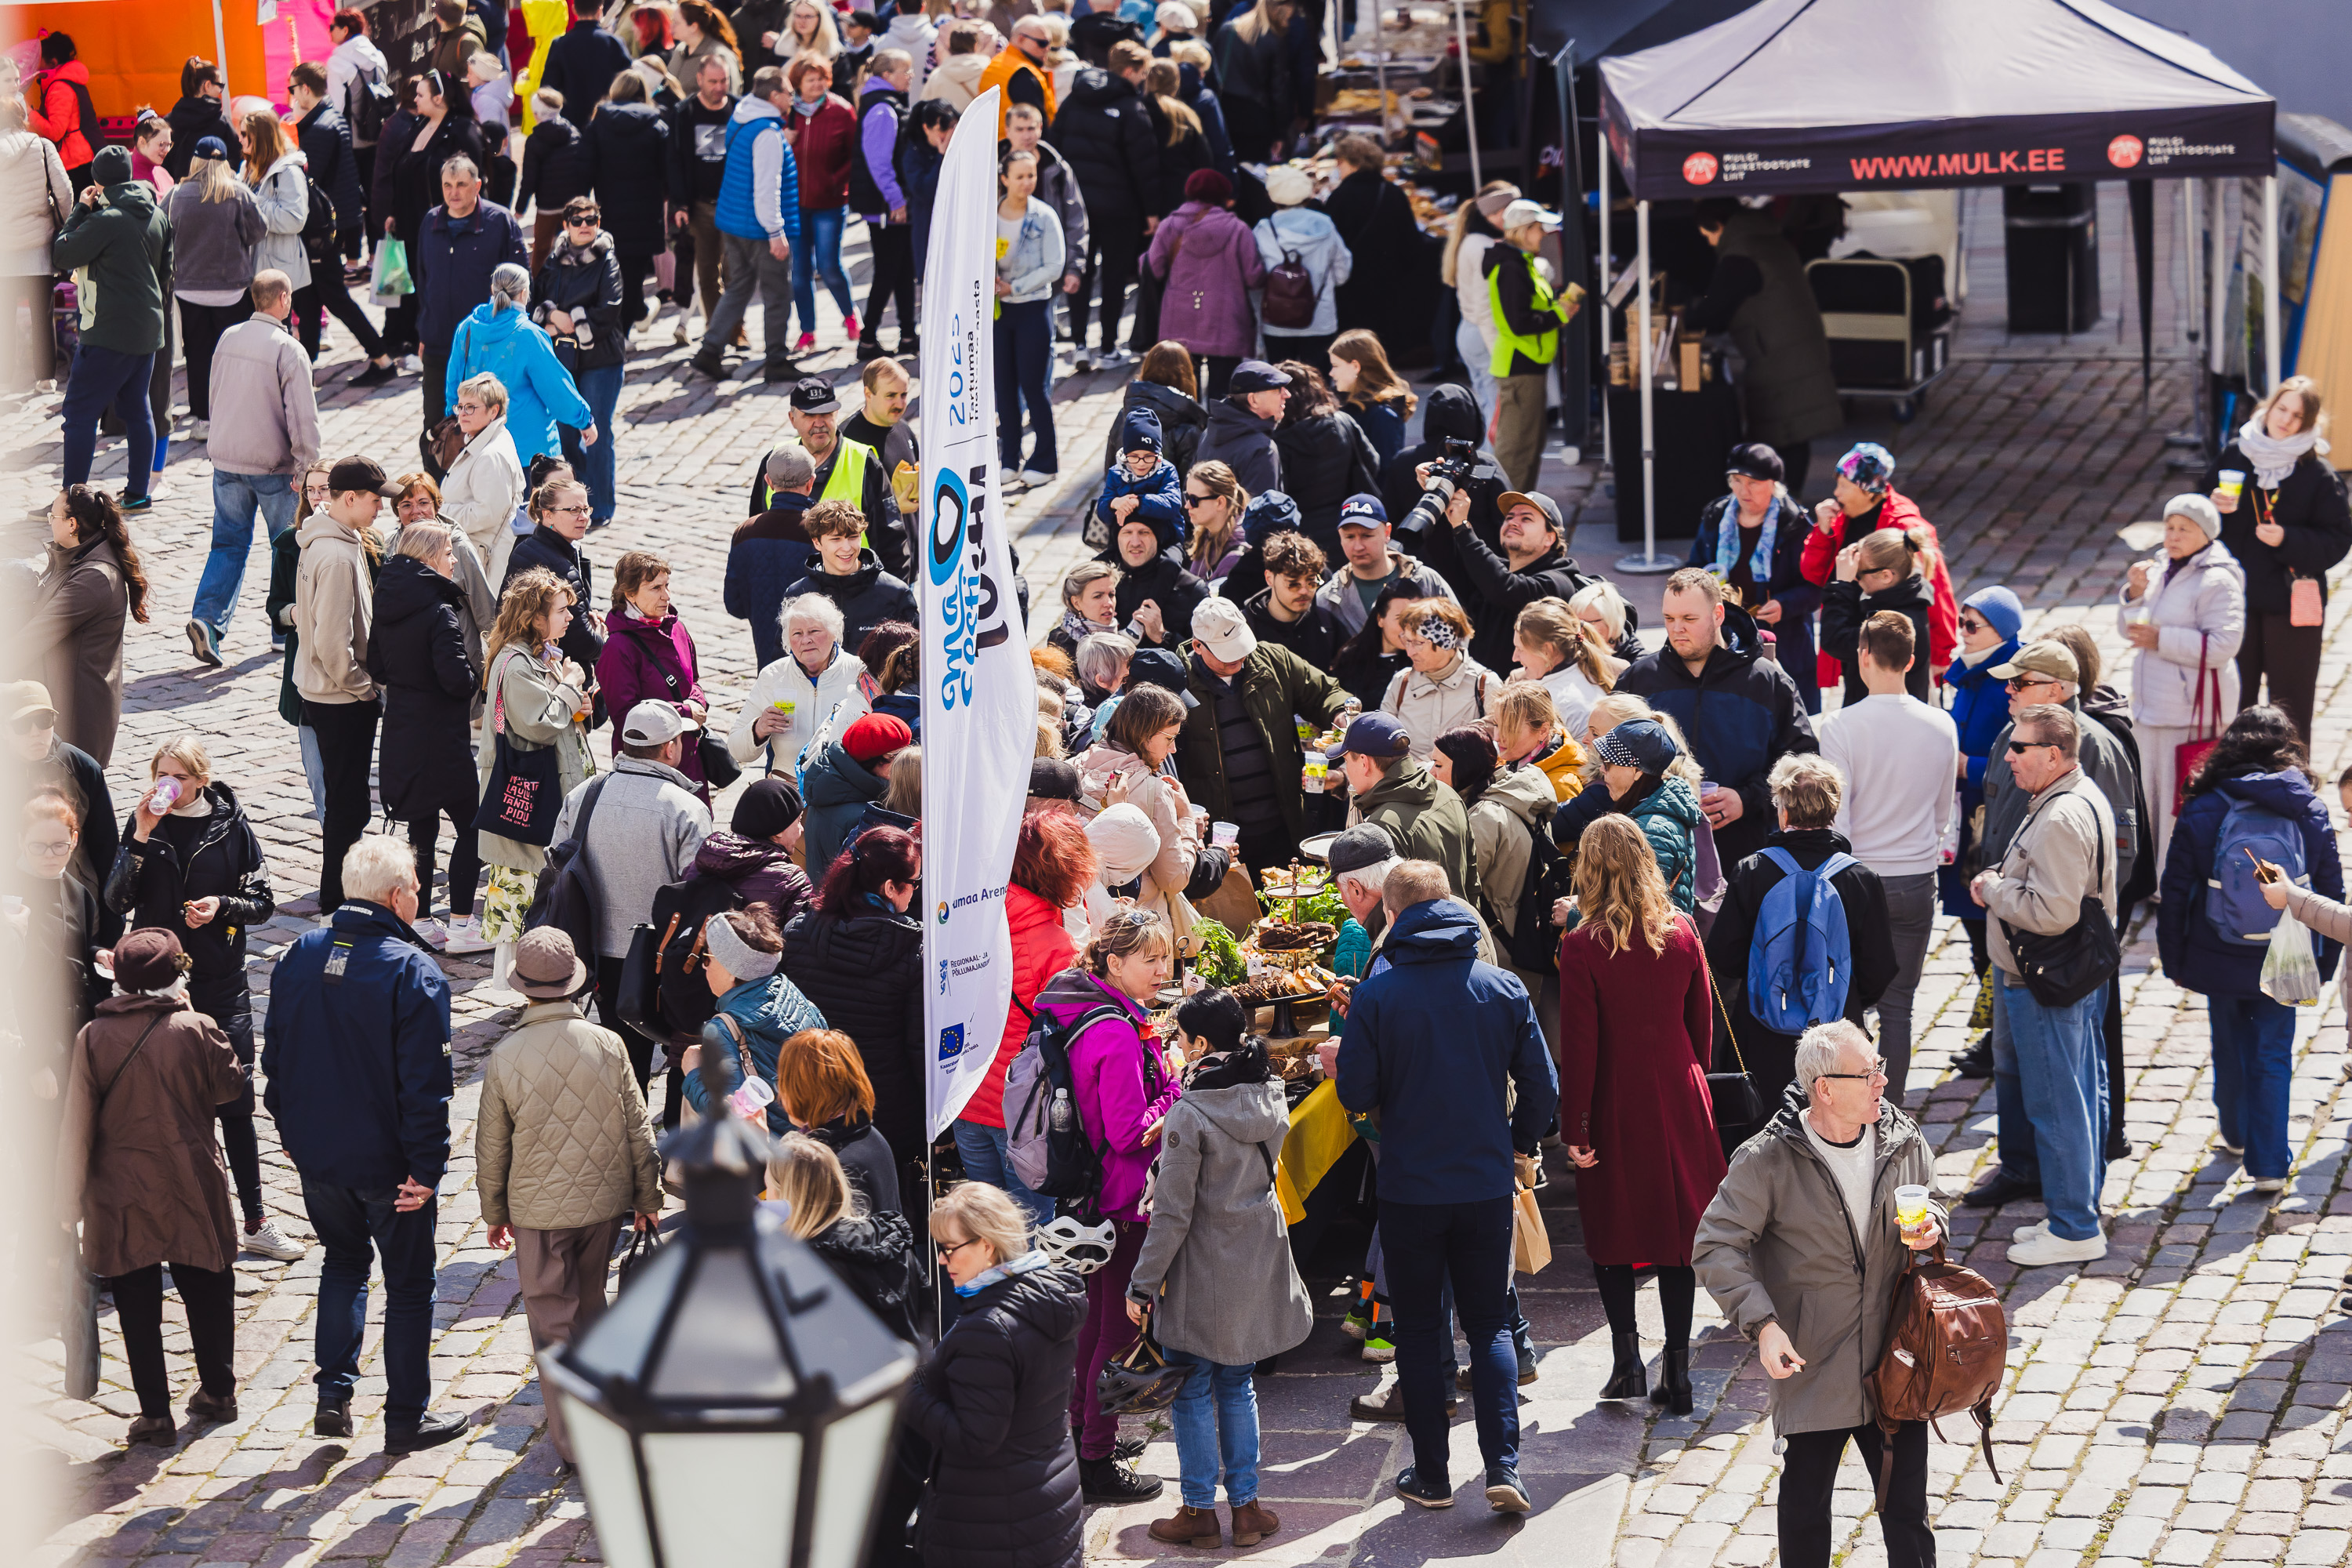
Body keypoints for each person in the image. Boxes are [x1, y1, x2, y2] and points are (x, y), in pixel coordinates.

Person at [1336, 859, 1554, 1511]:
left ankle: (1431, 1473)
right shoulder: (1504, 987)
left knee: (1420, 1328)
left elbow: (1355, 1092)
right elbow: (1543, 1087)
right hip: (1484, 1181)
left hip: (1410, 1186)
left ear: (1395, 917)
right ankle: (1504, 1469)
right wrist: (1516, 1142)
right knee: (1488, 1325)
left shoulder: (1378, 994)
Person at [1693, 1018, 1947, 1568]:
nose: (1882, 1079)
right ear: (1824, 1088)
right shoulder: (1767, 1160)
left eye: (1879, 1067)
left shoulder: (1901, 1137)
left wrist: (1933, 1226)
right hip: (1813, 1363)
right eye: (1868, 1072)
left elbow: (1935, 1197)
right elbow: (1715, 1245)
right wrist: (1763, 1324)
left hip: (1897, 1359)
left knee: (1907, 1512)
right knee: (1806, 1515)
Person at [263, 835, 466, 1451]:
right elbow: (425, 1087)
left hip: (320, 1157)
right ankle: (405, 1417)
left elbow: (275, 1058)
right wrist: (427, 1169)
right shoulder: (413, 971)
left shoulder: (298, 953)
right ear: (398, 896)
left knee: (344, 1263)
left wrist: (291, 1136)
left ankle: (334, 1396)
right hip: (391, 1169)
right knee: (408, 1287)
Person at [101, 736, 299, 1261]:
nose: (167, 786)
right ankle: (170, 1225)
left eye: (179, 777)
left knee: (234, 1100)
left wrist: (222, 905)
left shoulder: (231, 827)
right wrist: (141, 835)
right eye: (161, 775)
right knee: (161, 1109)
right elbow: (117, 900)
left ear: (200, 781)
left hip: (217, 980)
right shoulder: (146, 821)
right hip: (156, 990)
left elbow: (262, 901)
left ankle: (255, 1221)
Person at [1124, 989, 1309, 1549]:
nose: (1176, 1047)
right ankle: (1247, 1508)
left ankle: (1200, 1512)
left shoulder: (1190, 1113)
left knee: (1192, 1387)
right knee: (1238, 1383)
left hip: (1202, 1268)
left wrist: (1141, 1282)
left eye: (1180, 1038)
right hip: (1255, 1255)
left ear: (1201, 1044)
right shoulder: (1267, 1090)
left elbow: (1173, 1214)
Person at [1555, 815, 1723, 1414]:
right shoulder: (1681, 933)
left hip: (1614, 1098)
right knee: (1679, 1236)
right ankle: (1676, 1372)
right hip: (1679, 1092)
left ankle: (1627, 1363)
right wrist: (1691, 1083)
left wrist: (1574, 1126)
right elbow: (1700, 1028)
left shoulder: (1581, 946)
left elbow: (1580, 1045)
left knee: (1612, 1233)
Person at [476, 926, 661, 1464]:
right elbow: (637, 1126)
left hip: (538, 1213)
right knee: (590, 1306)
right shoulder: (608, 1044)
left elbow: (493, 1145)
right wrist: (647, 1199)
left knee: (553, 1325)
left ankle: (579, 1444)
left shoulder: (508, 1055)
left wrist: (493, 1211)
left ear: (523, 988)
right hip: (603, 1204)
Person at [56, 928, 246, 1446]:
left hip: (120, 1189)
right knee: (208, 1285)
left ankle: (155, 1415)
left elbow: (78, 1125)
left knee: (137, 1301)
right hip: (191, 1178)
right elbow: (231, 1088)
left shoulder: (94, 1037)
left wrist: (66, 1200)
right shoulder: (196, 1027)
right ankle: (218, 1391)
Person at [1028, 909, 1179, 1503]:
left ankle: (1080, 1433)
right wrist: (1174, 1087)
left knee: (1094, 1328)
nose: (1162, 970)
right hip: (1124, 1200)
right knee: (1118, 1334)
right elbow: (1126, 1132)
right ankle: (1096, 1458)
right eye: (1151, 960)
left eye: (1165, 957)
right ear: (1114, 964)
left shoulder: (1088, 1012)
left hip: (1095, 1198)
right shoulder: (1114, 1031)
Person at [2160, 707, 2343, 1193]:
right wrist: (2324, 964)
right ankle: (2268, 1163)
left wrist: (2175, 958)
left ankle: (2237, 1133)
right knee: (2273, 1054)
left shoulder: (2203, 807)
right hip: (2289, 951)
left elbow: (2176, 887)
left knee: (2228, 1042)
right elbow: (2330, 891)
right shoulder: (2307, 808)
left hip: (2219, 948)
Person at [1969, 704, 2118, 1266]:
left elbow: (2051, 911)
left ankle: (2075, 1226)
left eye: (2020, 748)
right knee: (2080, 1095)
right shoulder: (2076, 797)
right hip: (2072, 974)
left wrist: (1992, 889)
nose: (2008, 756)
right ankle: (2076, 1210)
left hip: (2046, 981)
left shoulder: (2058, 818)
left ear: (2053, 755)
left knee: (2059, 1104)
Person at [1702, 750, 1898, 1135]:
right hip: (1836, 1027)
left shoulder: (1752, 870)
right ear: (1834, 808)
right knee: (1837, 1127)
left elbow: (1723, 957)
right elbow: (1880, 966)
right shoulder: (1861, 878)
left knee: (1762, 1133)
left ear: (1784, 812)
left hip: (1762, 1030)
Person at [904, 1181, 1086, 1568]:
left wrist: (905, 1392)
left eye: (949, 1248)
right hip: (1049, 1507)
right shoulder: (1046, 1296)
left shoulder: (987, 1329)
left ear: (986, 1246)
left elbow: (975, 1438)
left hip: (996, 1528)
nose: (941, 1260)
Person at [1818, 612, 1958, 1098]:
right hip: (1918, 876)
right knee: (1900, 1007)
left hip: (1858, 879)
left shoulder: (1839, 725)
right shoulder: (1941, 724)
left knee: (1848, 1002)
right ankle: (1891, 1107)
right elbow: (1944, 808)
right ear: (1911, 661)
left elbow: (1839, 818)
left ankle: (1849, 1106)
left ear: (1862, 657)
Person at [556, 701, 713, 1104]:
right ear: (671, 748)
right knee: (682, 1052)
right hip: (664, 956)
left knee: (623, 1062)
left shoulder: (583, 794)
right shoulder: (687, 808)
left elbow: (556, 858)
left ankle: (627, 1144)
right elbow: (698, 890)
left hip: (597, 948)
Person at [1617, 568, 1817, 870]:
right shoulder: (1640, 678)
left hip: (1746, 855)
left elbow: (1804, 762)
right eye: (1669, 619)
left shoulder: (1767, 681)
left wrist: (1747, 799)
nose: (1676, 629)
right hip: (1655, 854)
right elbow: (1606, 757)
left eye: (1689, 619)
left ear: (1718, 614)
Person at [959, 808, 1093, 1227]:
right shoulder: (1054, 945)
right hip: (1025, 1114)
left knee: (987, 1239)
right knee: (1029, 1242)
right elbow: (1073, 1035)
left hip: (966, 1102)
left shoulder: (971, 920)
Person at [2205, 376, 2350, 743]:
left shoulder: (2318, 474)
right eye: (2281, 409)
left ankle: (2291, 784)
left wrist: (2289, 538)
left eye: (2297, 416)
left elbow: (2338, 539)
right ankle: (2236, 779)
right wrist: (2213, 506)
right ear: (2269, 408)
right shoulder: (2237, 453)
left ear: (2308, 423)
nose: (2285, 420)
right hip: (2237, 600)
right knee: (2236, 703)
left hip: (2291, 605)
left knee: (2292, 707)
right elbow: (2198, 516)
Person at [777, 824, 926, 1174]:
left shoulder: (798, 933)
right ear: (890, 887)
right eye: (915, 883)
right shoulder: (914, 951)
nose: (917, 892)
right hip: (885, 1109)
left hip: (812, 1098)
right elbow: (919, 1045)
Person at [187, 272, 319, 666]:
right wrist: (308, 468)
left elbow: (214, 393)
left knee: (227, 543)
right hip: (271, 465)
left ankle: (207, 619)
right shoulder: (288, 349)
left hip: (227, 459)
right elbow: (302, 416)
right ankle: (285, 626)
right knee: (288, 544)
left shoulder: (228, 337)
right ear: (283, 298)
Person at [365, 520, 486, 947]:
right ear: (432, 558)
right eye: (450, 554)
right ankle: (460, 923)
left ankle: (419, 922)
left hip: (403, 732)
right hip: (443, 741)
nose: (454, 561)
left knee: (422, 833)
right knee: (473, 826)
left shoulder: (389, 600)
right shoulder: (439, 612)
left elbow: (376, 666)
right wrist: (475, 676)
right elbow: (457, 681)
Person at [2119, 494, 2246, 874]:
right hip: (2150, 703)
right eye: (2169, 527)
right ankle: (2148, 877)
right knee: (2148, 797)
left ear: (2205, 534)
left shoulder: (2219, 580)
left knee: (2178, 800)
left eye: (2183, 529)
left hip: (2188, 710)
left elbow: (2225, 645)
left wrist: (2163, 640)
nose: (2172, 537)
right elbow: (2131, 630)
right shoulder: (2158, 570)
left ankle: (2172, 880)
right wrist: (2134, 595)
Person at [1177, 597, 1351, 872]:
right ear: (1198, 646)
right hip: (1222, 837)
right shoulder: (1178, 681)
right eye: (1226, 652)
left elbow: (1325, 693)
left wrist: (1341, 714)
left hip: (1285, 825)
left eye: (1240, 647)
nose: (1237, 658)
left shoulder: (1274, 660)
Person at [295, 459, 400, 909]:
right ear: (349, 498)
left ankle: (335, 896)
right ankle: (336, 901)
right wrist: (365, 690)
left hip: (328, 691)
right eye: (376, 498)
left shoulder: (335, 537)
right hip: (340, 697)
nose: (383, 505)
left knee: (345, 799)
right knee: (349, 805)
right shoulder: (337, 555)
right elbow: (332, 644)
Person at [476, 569, 594, 961]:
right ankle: (522, 977)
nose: (569, 617)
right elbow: (541, 724)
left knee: (534, 887)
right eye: (562, 610)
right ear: (535, 617)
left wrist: (575, 704)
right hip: (529, 797)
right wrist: (571, 685)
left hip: (540, 791)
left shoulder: (536, 657)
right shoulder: (518, 663)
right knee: (523, 890)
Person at [1684, 198, 1840, 492]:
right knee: (1794, 432)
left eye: (1709, 236)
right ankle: (1788, 501)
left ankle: (1782, 508)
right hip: (1796, 350)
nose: (1710, 244)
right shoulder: (1767, 240)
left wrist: (1687, 313)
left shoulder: (1741, 254)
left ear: (1718, 225)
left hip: (1778, 357)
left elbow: (1713, 310)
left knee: (1783, 433)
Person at [54, 146, 169, 511]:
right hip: (148, 328)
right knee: (138, 408)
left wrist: (80, 210)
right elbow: (167, 273)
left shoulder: (106, 218)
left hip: (108, 331)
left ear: (98, 181)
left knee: (79, 414)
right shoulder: (155, 214)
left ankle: (72, 501)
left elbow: (63, 253)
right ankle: (138, 493)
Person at [1944, 586, 2027, 1077]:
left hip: (1993, 824)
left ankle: (2003, 1037)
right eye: (1961, 622)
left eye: (1973, 626)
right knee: (1978, 934)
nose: (1962, 633)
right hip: (1968, 820)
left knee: (1994, 933)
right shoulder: (1971, 674)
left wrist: (1964, 767)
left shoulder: (2008, 682)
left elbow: (2013, 759)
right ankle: (1998, 1032)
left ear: (2003, 632)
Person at [1799, 443, 1959, 688]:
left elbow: (1937, 589)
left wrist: (1940, 653)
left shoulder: (1904, 526)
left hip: (1892, 648)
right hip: (1856, 639)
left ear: (1866, 490)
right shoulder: (1842, 518)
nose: (1836, 493)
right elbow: (1813, 574)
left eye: (1844, 485)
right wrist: (1822, 532)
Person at [692, 65, 806, 382]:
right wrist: (775, 231)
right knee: (777, 294)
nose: (792, 98)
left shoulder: (742, 117)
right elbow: (766, 186)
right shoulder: (767, 133)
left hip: (734, 221)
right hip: (758, 227)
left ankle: (710, 350)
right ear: (774, 96)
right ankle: (776, 359)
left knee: (739, 286)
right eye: (789, 93)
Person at [1689, 443, 1821, 713]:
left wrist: (1785, 604)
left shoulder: (1795, 524)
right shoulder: (1716, 516)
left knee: (1791, 710)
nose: (1742, 491)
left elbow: (1815, 587)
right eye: (1736, 481)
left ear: (1773, 484)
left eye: (1753, 483)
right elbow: (1694, 567)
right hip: (1726, 631)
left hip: (1785, 637)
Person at [287, 64, 397, 379]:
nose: (292, 97)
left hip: (323, 229)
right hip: (332, 224)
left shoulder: (318, 128)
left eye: (292, 90)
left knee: (332, 297)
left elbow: (307, 182)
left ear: (305, 89)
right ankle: (303, 368)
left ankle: (380, 358)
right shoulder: (329, 116)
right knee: (308, 297)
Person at [24, 485, 147, 769]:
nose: (49, 523)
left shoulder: (94, 578)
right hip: (59, 704)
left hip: (75, 718)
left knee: (69, 807)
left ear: (72, 524)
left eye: (52, 517)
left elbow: (35, 636)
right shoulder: (75, 557)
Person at [1054, 53, 1163, 369]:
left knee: (1079, 273)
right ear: (1130, 72)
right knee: (1114, 278)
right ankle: (1108, 347)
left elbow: (1056, 150)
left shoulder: (1073, 102)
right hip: (1120, 208)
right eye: (1142, 73)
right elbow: (1146, 165)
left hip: (1078, 207)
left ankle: (1078, 344)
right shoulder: (1131, 108)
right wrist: (1151, 211)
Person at [410, 146, 528, 430]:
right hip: (439, 342)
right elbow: (424, 280)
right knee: (436, 428)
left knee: (486, 424)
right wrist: (424, 330)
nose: (454, 192)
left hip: (485, 342)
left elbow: (521, 283)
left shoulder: (499, 222)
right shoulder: (431, 221)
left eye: (461, 185)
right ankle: (440, 477)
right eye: (447, 185)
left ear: (477, 185)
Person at [746, 378, 909, 577]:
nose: (819, 423)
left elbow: (892, 541)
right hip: (789, 598)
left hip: (852, 595)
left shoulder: (864, 462)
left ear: (836, 414)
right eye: (809, 415)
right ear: (792, 418)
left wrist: (890, 600)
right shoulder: (775, 462)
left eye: (826, 414)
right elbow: (755, 534)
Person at [1430, 721, 1555, 977]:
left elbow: (1457, 890)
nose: (1430, 773)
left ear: (1464, 768)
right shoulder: (1518, 797)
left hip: (1498, 944)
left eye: (1438, 765)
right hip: (1529, 932)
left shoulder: (1483, 818)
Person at [448, 261, 596, 470]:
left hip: (477, 445)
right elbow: (556, 388)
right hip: (529, 452)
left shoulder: (467, 328)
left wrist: (457, 421)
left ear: (492, 289)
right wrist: (584, 420)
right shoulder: (530, 335)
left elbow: (454, 383)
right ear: (524, 293)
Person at [530, 198, 625, 521]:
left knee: (596, 431)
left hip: (601, 359)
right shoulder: (555, 260)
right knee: (567, 430)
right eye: (578, 220)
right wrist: (553, 315)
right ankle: (577, 502)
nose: (585, 225)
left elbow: (609, 310)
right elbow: (536, 297)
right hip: (564, 359)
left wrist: (573, 320)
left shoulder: (607, 260)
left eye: (592, 219)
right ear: (566, 225)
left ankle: (601, 507)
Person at [162, 140, 264, 439]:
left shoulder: (177, 195)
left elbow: (161, 230)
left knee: (198, 353)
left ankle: (205, 419)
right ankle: (238, 414)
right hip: (232, 287)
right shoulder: (237, 192)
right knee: (236, 353)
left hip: (189, 289)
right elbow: (260, 230)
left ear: (195, 161)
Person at [596, 550, 715, 799]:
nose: (666, 596)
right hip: (648, 770)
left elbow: (693, 681)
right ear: (629, 594)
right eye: (655, 588)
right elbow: (625, 717)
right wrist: (684, 712)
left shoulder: (677, 628)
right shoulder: (618, 648)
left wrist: (696, 700)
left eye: (666, 585)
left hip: (688, 756)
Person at [1477, 199, 1577, 493]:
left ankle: (1515, 511)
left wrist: (1557, 310)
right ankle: (1506, 516)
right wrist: (1560, 314)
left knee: (1528, 448)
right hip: (1520, 366)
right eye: (1539, 229)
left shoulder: (1520, 263)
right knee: (1516, 452)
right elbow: (1517, 322)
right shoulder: (1511, 266)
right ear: (1523, 230)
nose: (1544, 235)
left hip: (1527, 365)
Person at [1446, 488, 1598, 675]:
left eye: (1526, 519)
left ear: (1550, 538)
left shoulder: (1557, 582)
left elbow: (1505, 589)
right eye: (1509, 517)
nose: (1513, 523)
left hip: (1531, 700)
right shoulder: (1491, 573)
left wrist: (1462, 527)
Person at [1326, 713, 1475, 901]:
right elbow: (1472, 881)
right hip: (1466, 924)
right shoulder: (1448, 792)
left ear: (1364, 762)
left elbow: (1385, 910)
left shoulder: (1381, 827)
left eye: (1347, 761)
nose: (1347, 768)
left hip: (1421, 930)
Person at [1141, 167, 1261, 400]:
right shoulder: (1237, 229)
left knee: (1182, 392)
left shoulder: (1169, 225)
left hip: (1180, 317)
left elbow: (1153, 268)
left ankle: (1187, 435)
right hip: (1226, 320)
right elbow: (1254, 277)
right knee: (1223, 396)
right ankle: (1218, 435)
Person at [730, 591, 872, 779]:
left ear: (834, 632)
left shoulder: (859, 673)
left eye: (814, 631)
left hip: (845, 790)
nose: (806, 640)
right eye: (797, 633)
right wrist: (758, 729)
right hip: (789, 791)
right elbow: (736, 749)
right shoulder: (773, 676)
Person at [996, 146, 1068, 484]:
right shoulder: (990, 215)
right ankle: (1009, 457)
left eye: (1031, 176)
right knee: (1004, 387)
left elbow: (1054, 266)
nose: (1027, 182)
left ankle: (1045, 460)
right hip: (998, 313)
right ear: (1004, 178)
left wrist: (1016, 287)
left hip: (1032, 308)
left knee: (1034, 386)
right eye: (1020, 176)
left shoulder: (1044, 216)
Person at [582, 73, 671, 334]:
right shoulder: (656, 125)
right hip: (646, 212)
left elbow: (583, 168)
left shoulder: (598, 125)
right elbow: (669, 171)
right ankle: (627, 325)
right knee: (634, 274)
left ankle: (622, 326)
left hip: (609, 209)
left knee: (613, 269)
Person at [1269, 360, 1378, 557]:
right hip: (1347, 527)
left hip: (1302, 536)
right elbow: (1372, 463)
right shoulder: (1343, 422)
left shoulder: (1278, 440)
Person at [1, 95, 72, 390]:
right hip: (39, 243)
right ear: (23, 118)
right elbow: (65, 190)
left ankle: (4, 379)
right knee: (42, 312)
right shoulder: (42, 146)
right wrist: (68, 224)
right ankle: (45, 378)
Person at [667, 53, 739, 342]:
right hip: (699, 206)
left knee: (736, 273)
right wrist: (680, 203)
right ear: (699, 80)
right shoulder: (684, 112)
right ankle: (717, 331)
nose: (719, 87)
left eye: (724, 81)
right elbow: (673, 161)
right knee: (708, 274)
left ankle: (736, 330)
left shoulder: (737, 109)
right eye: (713, 81)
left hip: (734, 205)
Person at [850, 50, 917, 358]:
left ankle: (907, 335)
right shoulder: (882, 110)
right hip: (885, 208)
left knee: (902, 269)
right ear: (887, 76)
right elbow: (879, 163)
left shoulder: (885, 104)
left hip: (888, 205)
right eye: (906, 70)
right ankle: (867, 339)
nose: (911, 75)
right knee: (888, 271)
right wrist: (896, 200)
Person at [1821, 527, 1936, 706]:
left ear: (1886, 576)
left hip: (1887, 725)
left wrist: (1842, 585)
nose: (1855, 579)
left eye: (1858, 573)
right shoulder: (1903, 598)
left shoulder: (1895, 623)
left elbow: (1836, 640)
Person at [1248, 165, 1347, 368]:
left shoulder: (1263, 230)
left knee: (1280, 383)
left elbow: (1254, 278)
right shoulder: (1325, 225)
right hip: (1319, 317)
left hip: (1276, 321)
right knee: (1318, 384)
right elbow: (1342, 272)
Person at [439, 372, 531, 579]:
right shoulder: (482, 439)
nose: (462, 413)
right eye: (460, 406)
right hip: (473, 551)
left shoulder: (491, 456)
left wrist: (439, 512)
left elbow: (486, 513)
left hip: (483, 559)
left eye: (470, 407)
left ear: (493, 411)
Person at [801, 709, 912, 874]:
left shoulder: (831, 787)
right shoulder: (864, 816)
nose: (906, 764)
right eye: (899, 756)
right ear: (873, 760)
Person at [1381, 598, 1493, 758]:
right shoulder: (1401, 681)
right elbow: (1381, 743)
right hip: (1405, 781)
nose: (1410, 652)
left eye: (1419, 642)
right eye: (1407, 641)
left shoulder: (1483, 684)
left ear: (1445, 642)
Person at [1098, 490, 1210, 651]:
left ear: (1158, 538)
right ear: (1117, 539)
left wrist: (1163, 636)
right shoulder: (1097, 582)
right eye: (1127, 532)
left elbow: (1208, 661)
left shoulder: (1191, 589)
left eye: (1144, 533)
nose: (1135, 542)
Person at [239, 106, 314, 306]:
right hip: (250, 267)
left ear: (261, 138)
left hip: (277, 270)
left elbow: (295, 220)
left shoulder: (289, 172)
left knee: (277, 329)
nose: (240, 139)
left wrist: (254, 204)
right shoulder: (246, 167)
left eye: (245, 134)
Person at [1241, 531, 1346, 668]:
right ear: (1269, 578)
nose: (1304, 591)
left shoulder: (1328, 625)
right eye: (1293, 584)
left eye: (1311, 582)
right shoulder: (1244, 629)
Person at [1211, 0, 1294, 165]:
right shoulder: (1273, 40)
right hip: (1257, 118)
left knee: (1229, 169)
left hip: (1226, 114)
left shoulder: (1227, 30)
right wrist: (1280, 133)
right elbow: (1278, 92)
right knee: (1254, 175)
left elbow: (1213, 74)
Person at [1196, 359, 1288, 496]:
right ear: (1253, 400)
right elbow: (1262, 512)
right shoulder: (1262, 449)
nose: (1287, 394)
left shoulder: (1208, 433)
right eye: (1277, 390)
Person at [27, 32, 95, 191]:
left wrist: (31, 115)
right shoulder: (65, 82)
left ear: (53, 63)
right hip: (78, 158)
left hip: (72, 162)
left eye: (39, 60)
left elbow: (56, 131)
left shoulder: (59, 88)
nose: (36, 65)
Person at [538, 0, 635, 111]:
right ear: (600, 10)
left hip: (570, 120)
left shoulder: (560, 44)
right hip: (606, 117)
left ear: (573, 10)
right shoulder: (614, 43)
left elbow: (548, 87)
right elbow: (629, 83)